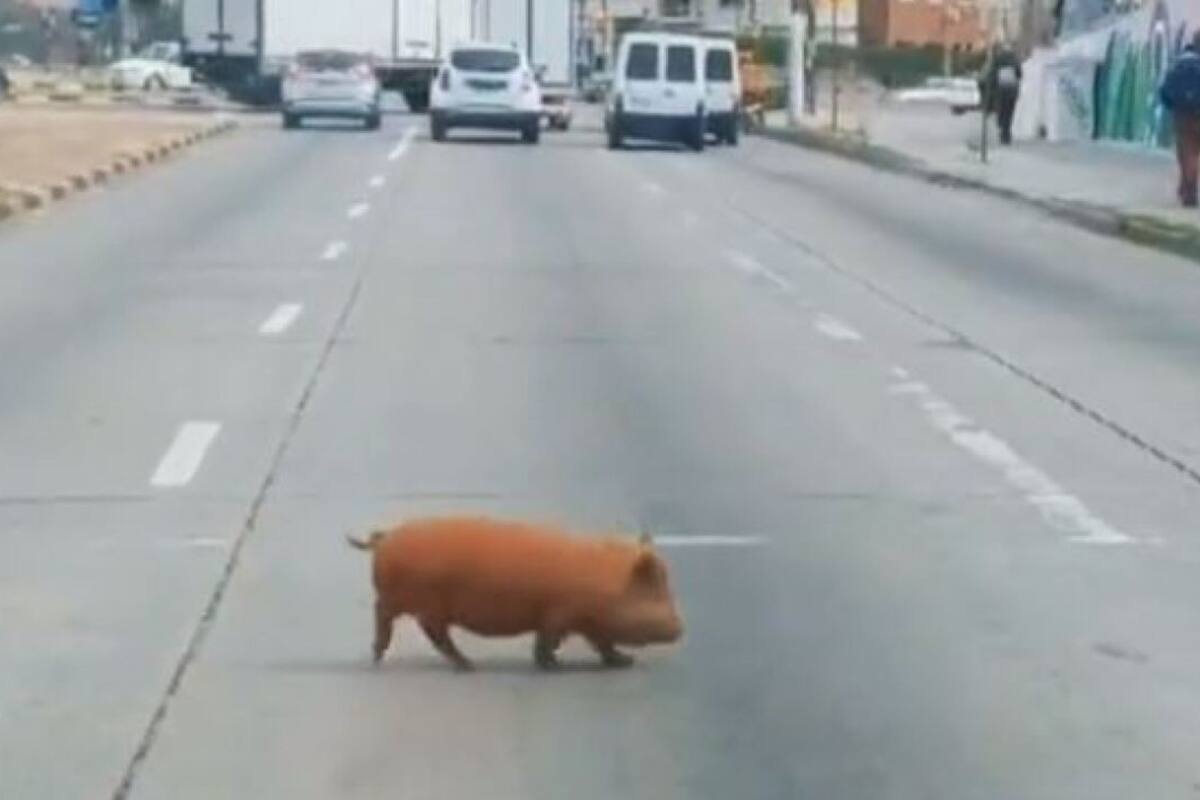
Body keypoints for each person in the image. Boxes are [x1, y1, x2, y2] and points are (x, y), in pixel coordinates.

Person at [1160, 32, 1200, 208]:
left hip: (1183, 114)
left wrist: (1172, 106)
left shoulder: (1180, 62)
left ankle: (1188, 190)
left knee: (1186, 153)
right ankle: (1186, 188)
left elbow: (1165, 88)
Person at [986, 43, 1023, 146]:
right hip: (1012, 90)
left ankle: (1002, 129)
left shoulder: (997, 60)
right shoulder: (1015, 60)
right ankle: (1006, 133)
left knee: (1001, 111)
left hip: (1001, 90)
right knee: (1009, 112)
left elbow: (992, 74)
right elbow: (1019, 74)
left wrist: (992, 86)